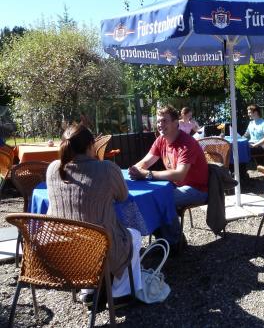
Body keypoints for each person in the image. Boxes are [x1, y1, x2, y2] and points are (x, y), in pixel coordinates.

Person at [46, 123, 142, 307]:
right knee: (133, 236)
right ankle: (120, 294)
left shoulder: (52, 169)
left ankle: (89, 291)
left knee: (81, 233)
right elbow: (123, 197)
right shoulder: (106, 169)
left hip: (62, 252)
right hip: (99, 247)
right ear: (92, 145)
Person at [128, 105, 209, 245]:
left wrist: (147, 174)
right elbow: (146, 162)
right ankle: (163, 239)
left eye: (164, 121)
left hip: (197, 189)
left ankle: (175, 242)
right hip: (175, 186)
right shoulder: (161, 140)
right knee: (151, 198)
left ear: (176, 123)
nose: (160, 124)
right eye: (158, 121)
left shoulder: (187, 143)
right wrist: (135, 169)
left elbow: (179, 175)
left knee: (160, 199)